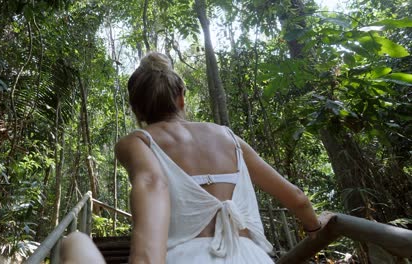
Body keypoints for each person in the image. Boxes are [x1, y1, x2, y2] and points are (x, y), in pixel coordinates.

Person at [115, 52, 330, 264]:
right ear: (181, 97)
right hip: (251, 257)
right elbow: (297, 198)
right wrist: (315, 227)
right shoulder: (229, 138)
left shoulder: (138, 142)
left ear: (136, 109)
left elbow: (151, 182)